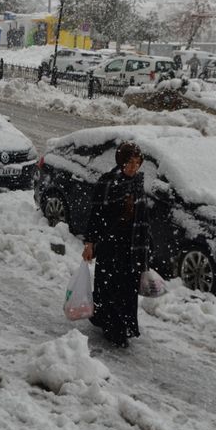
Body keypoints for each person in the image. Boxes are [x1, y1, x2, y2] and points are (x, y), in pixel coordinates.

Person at [81, 142, 151, 348]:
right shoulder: (107, 183)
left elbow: (143, 218)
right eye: (130, 162)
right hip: (111, 245)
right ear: (121, 162)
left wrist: (146, 247)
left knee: (127, 290)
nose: (134, 167)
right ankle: (113, 328)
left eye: (137, 163)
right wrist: (90, 243)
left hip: (131, 248)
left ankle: (123, 326)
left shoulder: (138, 183)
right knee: (110, 286)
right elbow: (95, 216)